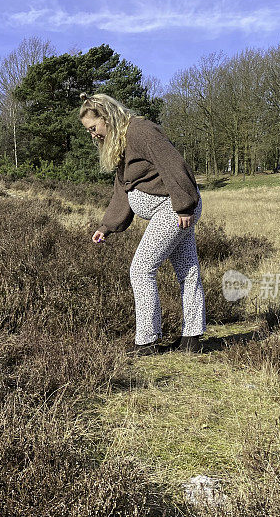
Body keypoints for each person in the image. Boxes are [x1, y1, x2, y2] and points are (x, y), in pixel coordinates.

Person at [79, 92, 206, 355]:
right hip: (174, 208)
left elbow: (173, 164)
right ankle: (191, 339)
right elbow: (123, 188)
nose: (93, 135)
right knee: (187, 269)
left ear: (107, 117)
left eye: (93, 128)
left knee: (141, 270)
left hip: (174, 208)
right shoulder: (120, 143)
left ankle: (147, 340)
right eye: (88, 131)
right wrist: (107, 226)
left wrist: (183, 205)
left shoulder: (141, 131)